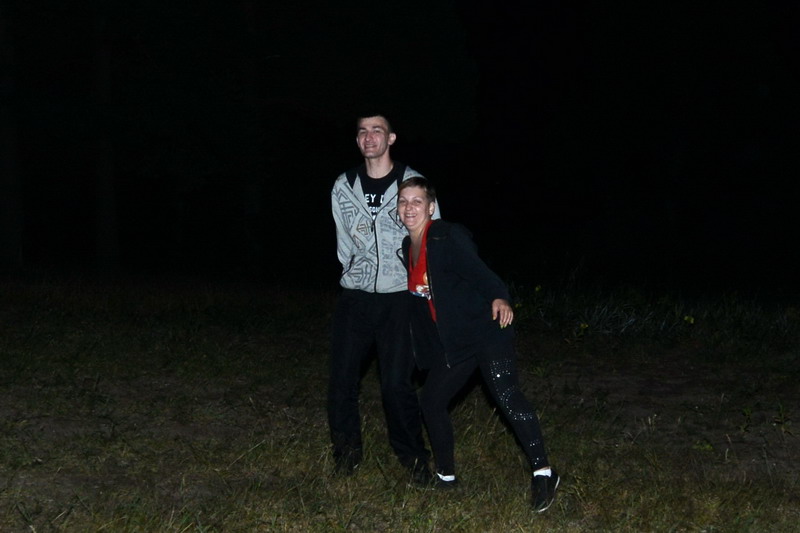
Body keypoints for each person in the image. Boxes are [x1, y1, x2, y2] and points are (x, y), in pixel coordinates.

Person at [398, 176, 560, 512]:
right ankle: (446, 476)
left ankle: (544, 473)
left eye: (417, 201)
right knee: (431, 400)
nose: (409, 207)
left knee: (506, 395)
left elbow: (479, 272)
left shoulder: (446, 235)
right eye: (403, 201)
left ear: (431, 207)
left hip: (487, 332)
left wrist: (499, 296)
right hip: (457, 343)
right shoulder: (407, 247)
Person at [328, 114, 437, 483]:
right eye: (362, 131)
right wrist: (353, 272)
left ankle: (414, 459)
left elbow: (432, 237)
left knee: (395, 383)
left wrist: (426, 291)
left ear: (391, 138)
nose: (369, 136)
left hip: (399, 298)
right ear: (357, 140)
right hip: (355, 298)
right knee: (342, 380)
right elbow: (343, 241)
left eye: (377, 130)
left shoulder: (412, 182)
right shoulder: (344, 185)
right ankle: (346, 455)